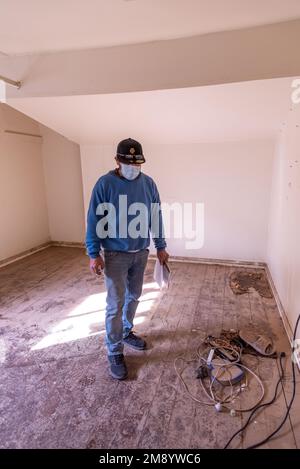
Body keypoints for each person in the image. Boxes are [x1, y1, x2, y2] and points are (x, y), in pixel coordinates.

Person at [86, 138, 169, 380]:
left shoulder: (148, 184)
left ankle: (125, 331)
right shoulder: (105, 184)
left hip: (140, 252)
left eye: (137, 164)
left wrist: (160, 246)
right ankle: (114, 351)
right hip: (114, 255)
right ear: (117, 161)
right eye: (127, 163)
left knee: (134, 296)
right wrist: (93, 253)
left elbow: (156, 216)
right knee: (115, 304)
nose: (133, 168)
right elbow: (94, 220)